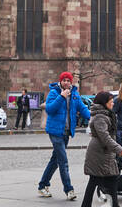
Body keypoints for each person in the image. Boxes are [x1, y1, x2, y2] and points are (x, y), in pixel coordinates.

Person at [37, 71, 90, 200]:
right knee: (63, 161)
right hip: (55, 131)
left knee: (55, 160)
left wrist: (92, 119)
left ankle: (42, 185)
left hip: (66, 132)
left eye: (68, 80)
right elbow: (49, 109)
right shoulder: (54, 92)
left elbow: (82, 108)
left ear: (71, 82)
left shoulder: (75, 94)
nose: (66, 82)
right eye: (64, 80)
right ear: (60, 81)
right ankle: (69, 189)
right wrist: (61, 97)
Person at [80, 92, 122, 207]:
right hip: (99, 152)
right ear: (103, 102)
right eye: (110, 101)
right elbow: (104, 136)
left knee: (112, 178)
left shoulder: (106, 114)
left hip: (104, 152)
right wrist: (118, 148)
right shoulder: (101, 117)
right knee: (95, 179)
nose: (113, 103)